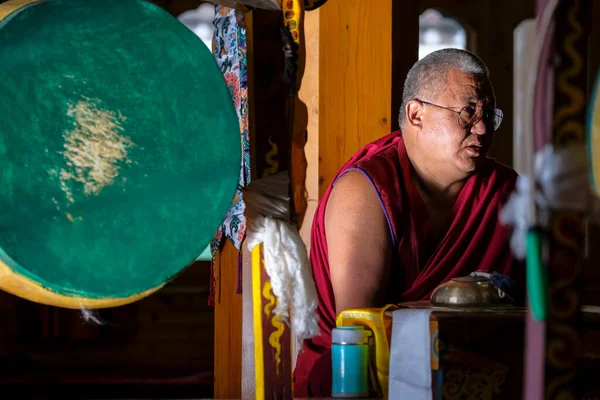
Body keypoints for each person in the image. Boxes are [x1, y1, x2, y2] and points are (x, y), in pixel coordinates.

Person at [293, 48, 523, 397]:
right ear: (416, 114)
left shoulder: (505, 191)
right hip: (366, 375)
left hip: (478, 366)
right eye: (468, 111)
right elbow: (360, 328)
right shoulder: (369, 190)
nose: (482, 127)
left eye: (488, 113)